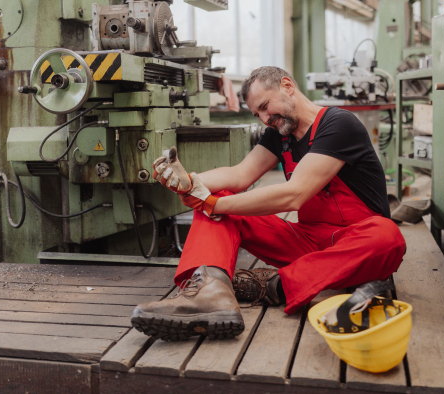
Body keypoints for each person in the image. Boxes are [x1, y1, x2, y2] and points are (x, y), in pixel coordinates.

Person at [131, 66, 406, 341]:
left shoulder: (339, 124)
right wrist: (189, 181)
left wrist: (212, 202)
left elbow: (294, 194)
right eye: (257, 114)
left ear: (287, 86)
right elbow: (240, 175)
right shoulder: (279, 135)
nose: (265, 119)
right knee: (219, 201)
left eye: (265, 106)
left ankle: (273, 286)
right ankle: (209, 292)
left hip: (357, 248)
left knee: (387, 236)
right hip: (308, 245)